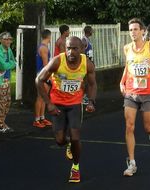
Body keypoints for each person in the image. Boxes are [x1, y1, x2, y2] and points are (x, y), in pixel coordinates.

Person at [36, 36, 97, 183]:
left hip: (75, 104)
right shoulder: (57, 61)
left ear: (81, 50)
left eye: (74, 48)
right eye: (68, 48)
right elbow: (39, 79)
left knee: (76, 137)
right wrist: (49, 103)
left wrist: (91, 101)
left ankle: (75, 168)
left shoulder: (87, 64)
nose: (70, 51)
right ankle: (68, 143)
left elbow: (92, 84)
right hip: (57, 105)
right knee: (59, 140)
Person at [120, 18, 150, 177]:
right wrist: (122, 82)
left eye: (135, 29)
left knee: (148, 127)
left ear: (142, 31)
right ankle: (132, 163)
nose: (132, 32)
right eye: (130, 30)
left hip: (147, 94)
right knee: (129, 126)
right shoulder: (127, 48)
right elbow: (128, 67)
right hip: (131, 93)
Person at [0, 32, 16, 133]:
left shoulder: (9, 49)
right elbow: (4, 66)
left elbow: (13, 62)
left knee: (7, 103)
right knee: (0, 104)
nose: (8, 41)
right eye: (5, 39)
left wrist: (11, 63)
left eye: (9, 39)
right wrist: (11, 63)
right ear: (1, 40)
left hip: (6, 80)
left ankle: (0, 122)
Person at [33, 29, 53, 128]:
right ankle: (37, 120)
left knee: (44, 97)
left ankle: (42, 118)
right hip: (42, 75)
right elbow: (46, 65)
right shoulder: (43, 48)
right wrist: (50, 76)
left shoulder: (43, 47)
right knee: (40, 97)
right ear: (49, 37)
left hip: (43, 74)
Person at [81, 25, 94, 105]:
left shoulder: (87, 40)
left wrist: (92, 62)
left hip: (89, 63)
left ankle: (85, 96)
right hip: (85, 64)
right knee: (85, 81)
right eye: (91, 31)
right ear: (89, 32)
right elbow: (82, 53)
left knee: (89, 81)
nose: (92, 33)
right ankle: (83, 97)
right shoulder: (84, 40)